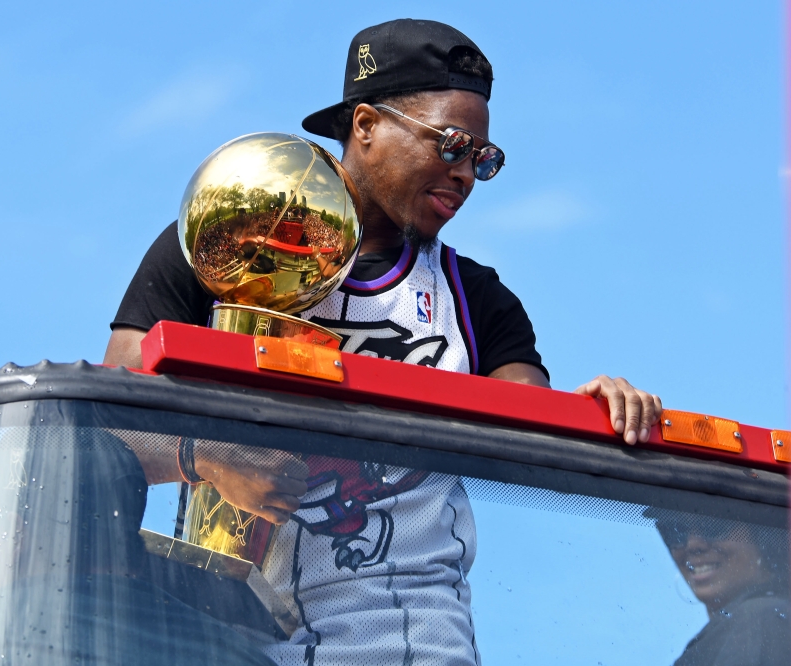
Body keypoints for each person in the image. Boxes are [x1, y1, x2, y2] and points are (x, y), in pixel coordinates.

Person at [104, 19, 663, 665]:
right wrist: (207, 456)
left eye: (485, 159)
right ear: (366, 125)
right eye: (451, 145)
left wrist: (599, 405)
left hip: (410, 641)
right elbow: (111, 428)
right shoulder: (220, 241)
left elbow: (538, 433)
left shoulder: (476, 299)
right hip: (226, 634)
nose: (466, 175)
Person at [653, 513, 790, 665]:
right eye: (674, 531)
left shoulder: (762, 618)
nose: (693, 545)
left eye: (713, 526)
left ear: (763, 535)